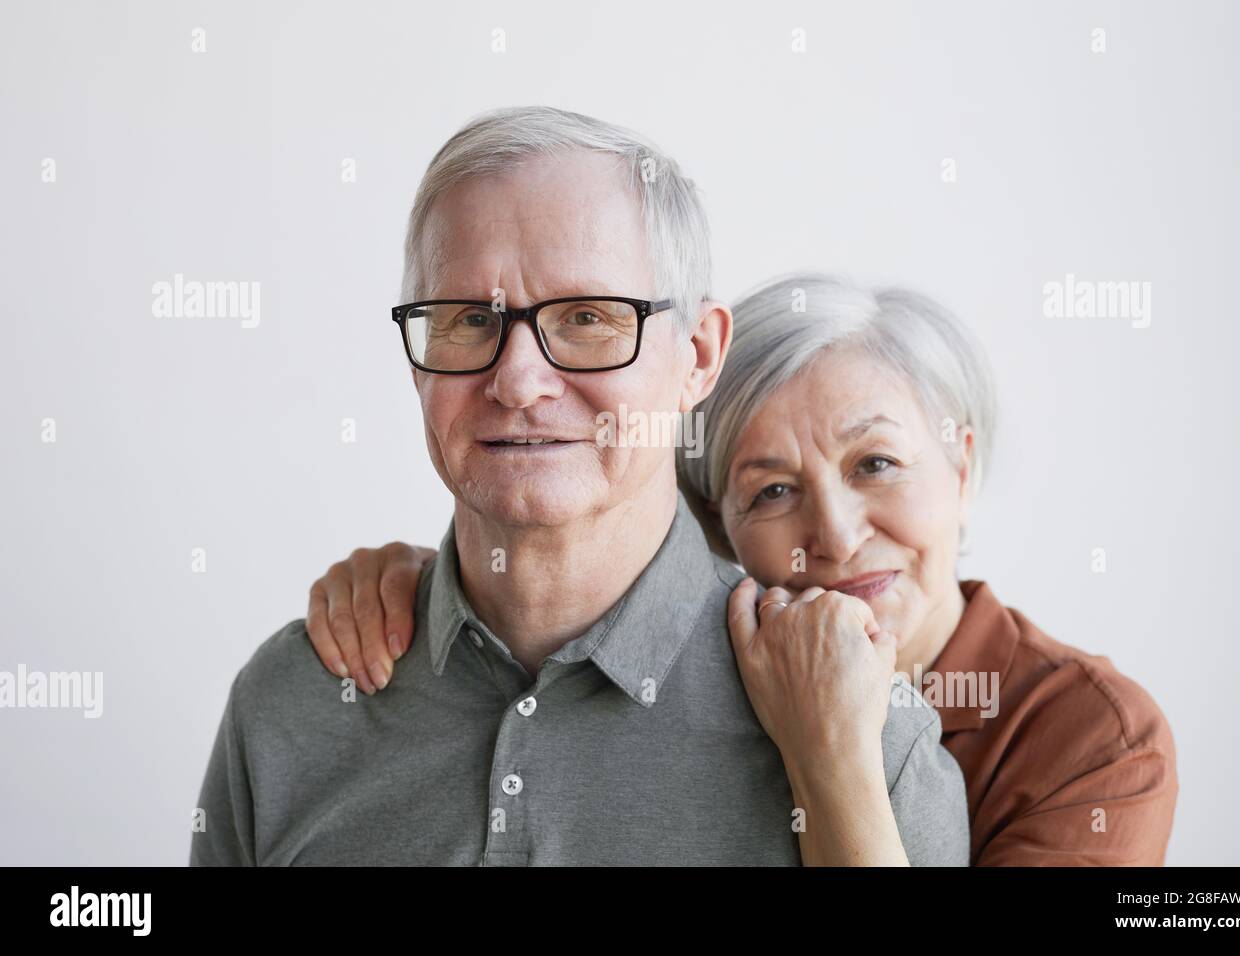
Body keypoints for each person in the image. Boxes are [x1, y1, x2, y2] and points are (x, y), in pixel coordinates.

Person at [190, 107, 969, 866]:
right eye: (467, 319)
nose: (519, 380)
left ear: (698, 356)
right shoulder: (286, 706)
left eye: (588, 318)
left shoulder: (865, 742)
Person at [307, 272, 1179, 865]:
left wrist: (836, 747)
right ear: (714, 526)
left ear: (961, 468)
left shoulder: (1095, 739)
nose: (834, 537)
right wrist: (457, 592)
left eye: (876, 464)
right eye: (771, 492)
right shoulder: (690, 679)